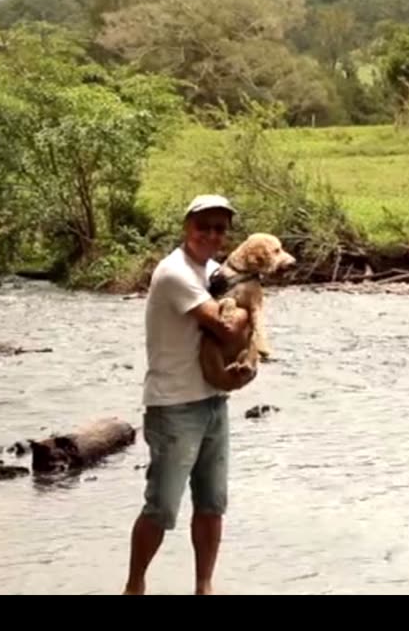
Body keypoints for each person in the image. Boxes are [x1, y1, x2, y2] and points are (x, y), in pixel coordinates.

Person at [124, 194, 254, 596]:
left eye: (219, 228)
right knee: (162, 507)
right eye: (204, 226)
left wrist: (249, 306)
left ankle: (204, 588)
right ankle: (135, 586)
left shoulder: (216, 271)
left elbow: (245, 306)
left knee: (213, 503)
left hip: (214, 399)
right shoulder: (174, 272)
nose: (212, 235)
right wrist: (250, 311)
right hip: (173, 404)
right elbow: (226, 329)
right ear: (187, 227)